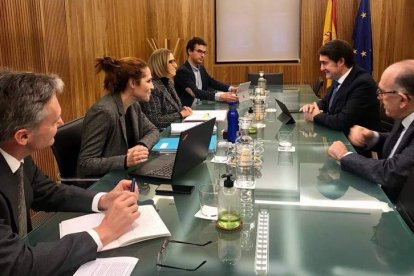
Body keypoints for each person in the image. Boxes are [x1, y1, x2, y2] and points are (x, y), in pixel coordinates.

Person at [0, 70, 140, 275]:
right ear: (23, 136)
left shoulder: (17, 153)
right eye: (54, 120)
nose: (62, 123)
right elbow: (17, 264)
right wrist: (104, 232)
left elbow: (48, 192)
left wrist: (104, 200)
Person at [328, 60, 414, 202]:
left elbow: (390, 173)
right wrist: (373, 137)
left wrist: (344, 155)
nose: (378, 98)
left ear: (403, 100)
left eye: (382, 92)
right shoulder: (406, 114)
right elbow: (404, 141)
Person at [78, 56, 160, 178]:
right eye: (148, 81)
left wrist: (141, 146)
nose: (152, 87)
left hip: (126, 177)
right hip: (103, 184)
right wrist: (125, 160)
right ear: (132, 83)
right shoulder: (104, 112)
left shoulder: (133, 105)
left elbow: (153, 131)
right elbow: (85, 164)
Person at [300, 39, 380, 137]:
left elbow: (342, 122)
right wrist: (313, 107)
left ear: (341, 61)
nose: (321, 68)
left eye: (325, 63)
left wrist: (316, 116)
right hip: (336, 137)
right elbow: (326, 102)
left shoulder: (362, 83)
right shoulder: (338, 76)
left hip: (354, 145)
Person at [174, 37, 239, 107]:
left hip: (202, 106)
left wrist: (231, 88)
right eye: (199, 51)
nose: (202, 55)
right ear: (190, 51)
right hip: (189, 110)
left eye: (204, 52)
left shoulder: (201, 68)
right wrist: (220, 96)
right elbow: (195, 92)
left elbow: (212, 82)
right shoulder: (182, 71)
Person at [140, 48, 192, 129]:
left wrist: (183, 109)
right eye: (170, 62)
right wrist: (180, 114)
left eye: (174, 61)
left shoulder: (169, 82)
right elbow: (155, 120)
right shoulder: (152, 86)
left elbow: (174, 109)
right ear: (159, 64)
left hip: (174, 128)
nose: (175, 65)